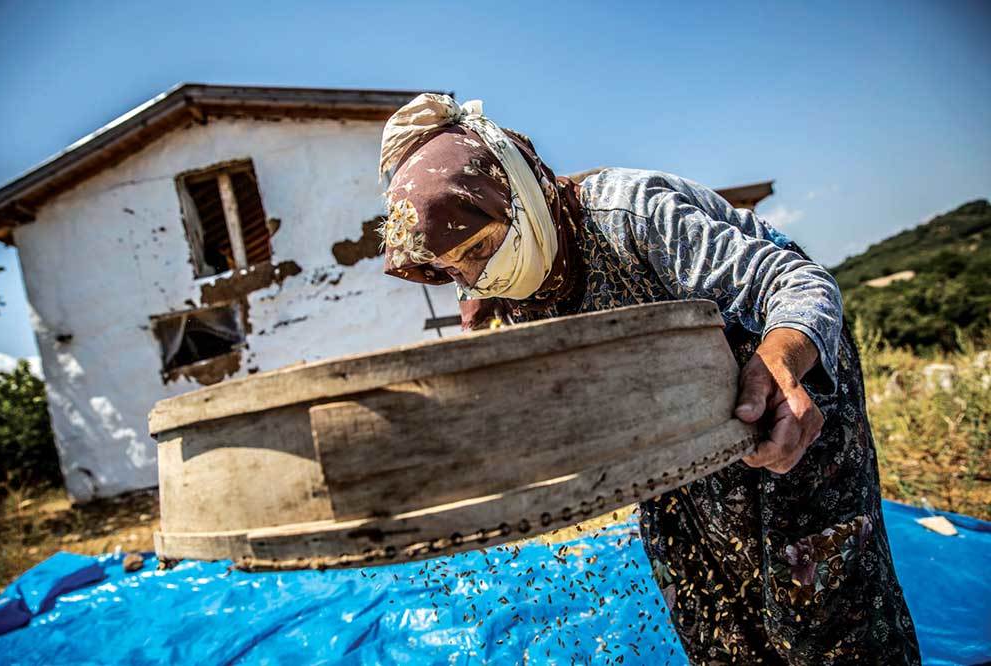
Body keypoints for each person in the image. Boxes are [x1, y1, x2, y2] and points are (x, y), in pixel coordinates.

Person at [377, 93, 920, 665]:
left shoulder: (628, 216)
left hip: (782, 407)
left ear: (518, 197)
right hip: (668, 440)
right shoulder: (489, 293)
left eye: (481, 247)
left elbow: (799, 284)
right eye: (452, 267)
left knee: (820, 609)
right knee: (712, 612)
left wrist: (780, 366)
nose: (475, 274)